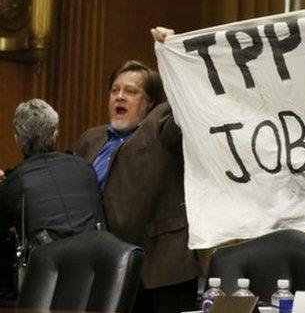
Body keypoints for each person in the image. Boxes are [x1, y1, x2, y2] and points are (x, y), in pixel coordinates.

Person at [74, 60, 198, 313]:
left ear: (150, 102)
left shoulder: (161, 127)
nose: (120, 97)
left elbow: (186, 111)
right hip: (105, 270)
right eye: (115, 90)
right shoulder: (91, 139)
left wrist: (173, 58)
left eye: (130, 91)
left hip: (160, 272)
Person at [0, 99, 105, 246]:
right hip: (101, 261)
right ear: (55, 134)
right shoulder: (85, 167)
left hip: (50, 267)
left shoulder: (13, 184)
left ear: (17, 139)